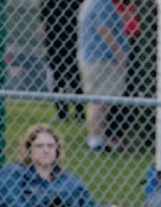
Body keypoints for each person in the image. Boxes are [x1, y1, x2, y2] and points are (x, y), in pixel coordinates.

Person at [0, 123, 125, 207]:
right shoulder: (14, 174)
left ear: (57, 150)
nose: (46, 150)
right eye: (39, 146)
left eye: (50, 146)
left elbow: (87, 206)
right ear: (29, 151)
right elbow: (11, 203)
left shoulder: (67, 179)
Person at [78, 0, 131, 151]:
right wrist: (119, 53)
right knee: (101, 101)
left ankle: (97, 138)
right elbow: (104, 28)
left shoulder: (89, 3)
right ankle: (96, 140)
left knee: (98, 101)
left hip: (93, 57)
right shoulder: (101, 3)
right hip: (103, 58)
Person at [39, 0, 85, 121]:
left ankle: (67, 112)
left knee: (67, 77)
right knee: (69, 77)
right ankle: (71, 112)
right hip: (63, 40)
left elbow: (45, 18)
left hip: (64, 39)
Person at [105, 0, 141, 149]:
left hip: (132, 45)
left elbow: (135, 28)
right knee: (115, 94)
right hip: (117, 49)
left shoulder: (128, 5)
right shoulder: (111, 5)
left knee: (129, 90)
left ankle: (120, 134)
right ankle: (112, 135)